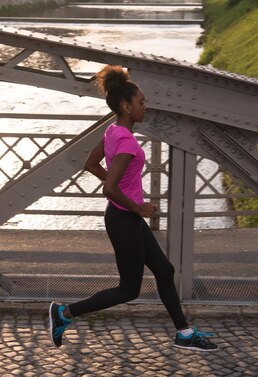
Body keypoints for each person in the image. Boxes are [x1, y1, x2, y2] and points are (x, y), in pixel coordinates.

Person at [48, 65, 219, 352]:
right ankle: (63, 314)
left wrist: (125, 196)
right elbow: (110, 188)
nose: (145, 108)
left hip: (123, 216)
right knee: (129, 289)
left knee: (164, 270)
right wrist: (138, 207)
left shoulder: (113, 130)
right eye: (141, 102)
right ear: (126, 105)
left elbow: (92, 165)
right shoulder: (126, 140)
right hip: (124, 219)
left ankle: (184, 333)